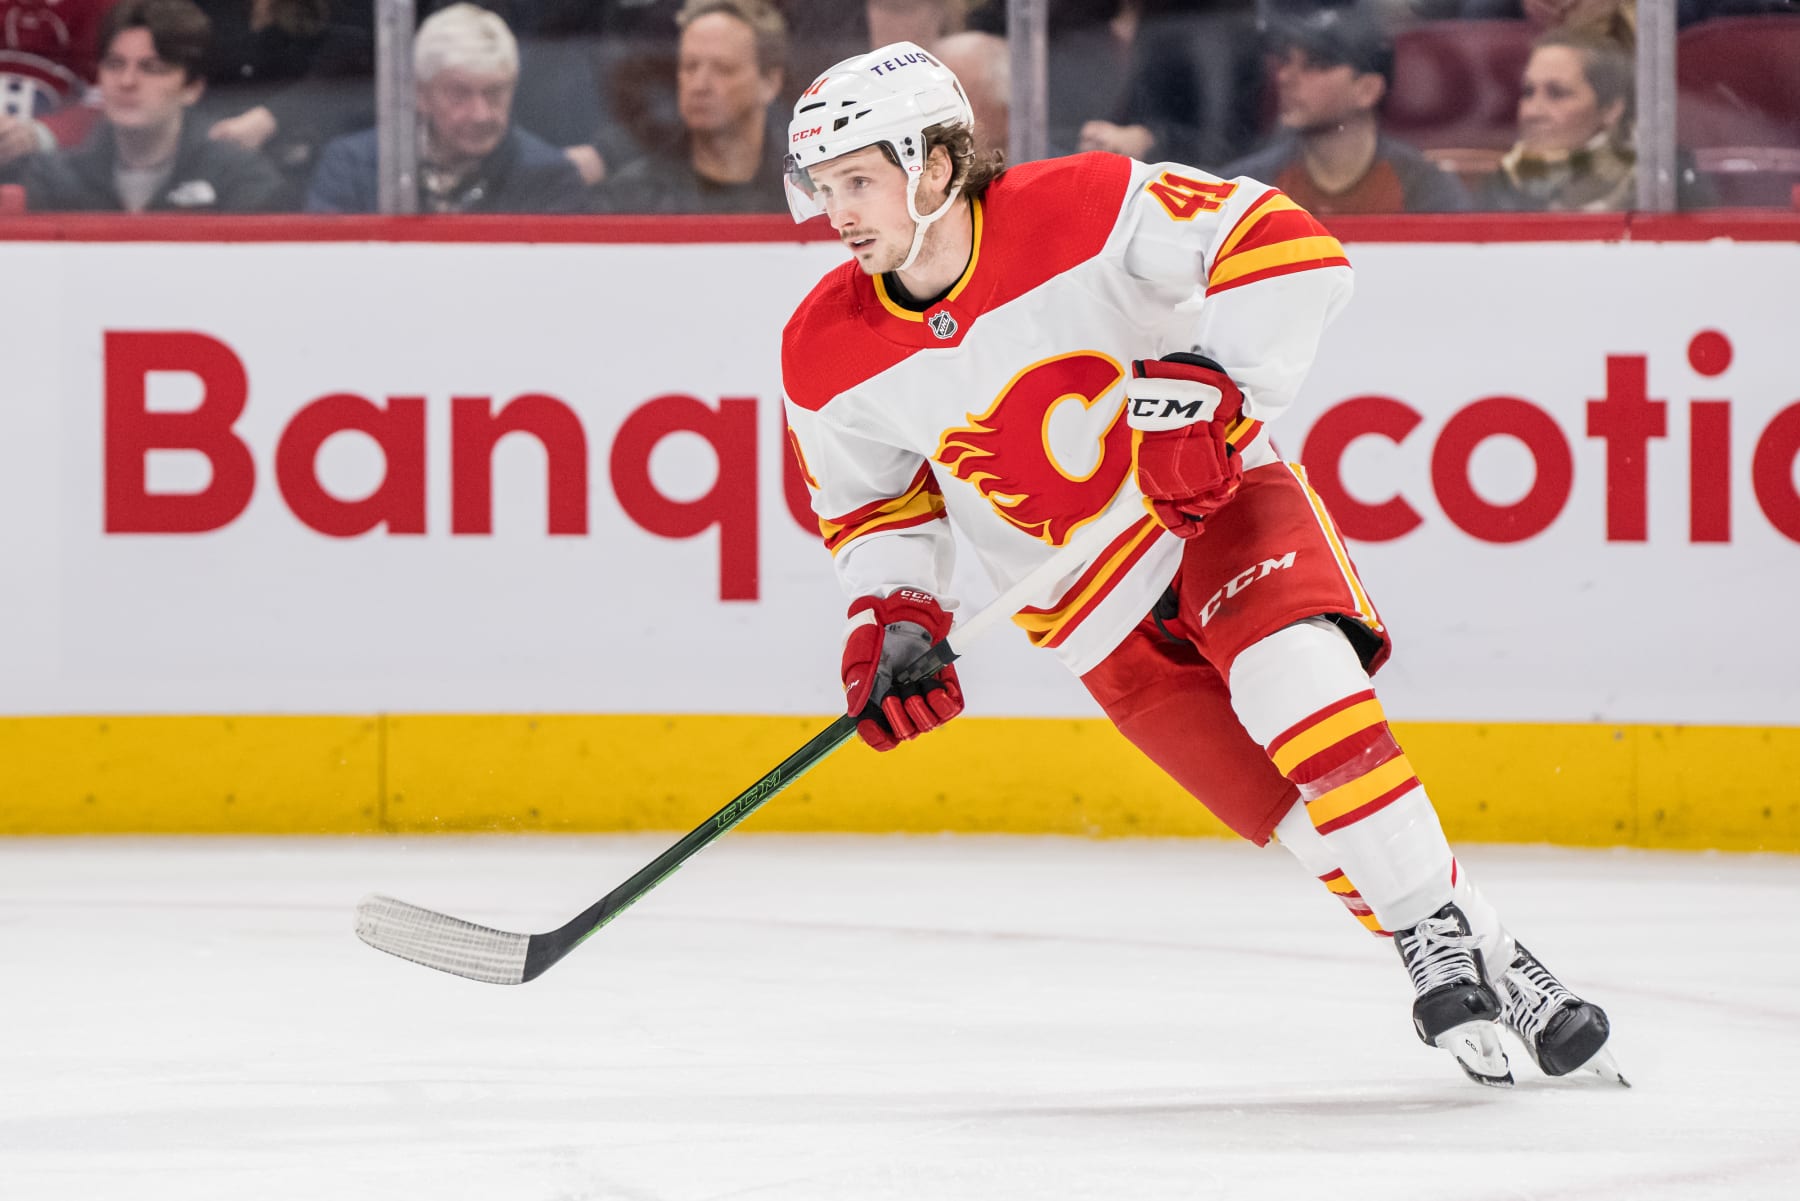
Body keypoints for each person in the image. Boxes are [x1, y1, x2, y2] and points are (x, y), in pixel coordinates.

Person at [778, 40, 1628, 1088]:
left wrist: (1214, 386)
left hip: (1213, 509)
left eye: (856, 180)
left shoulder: (1085, 206)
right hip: (1086, 616)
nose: (837, 211)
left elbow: (1281, 241)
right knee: (1301, 819)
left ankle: (1430, 932)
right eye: (822, 188)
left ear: (936, 166)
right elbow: (872, 503)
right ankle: (1492, 952)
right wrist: (894, 613)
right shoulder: (824, 346)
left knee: (1297, 691)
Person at [305, 2, 588, 213]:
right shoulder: (352, 166)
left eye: (495, 93)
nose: (480, 114)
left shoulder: (550, 176)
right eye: (459, 93)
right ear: (421, 93)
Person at [21, 0, 285, 212]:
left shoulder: (240, 179)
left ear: (192, 89)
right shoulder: (56, 178)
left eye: (152, 68)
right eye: (115, 64)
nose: (127, 81)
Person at [1225, 3, 1467, 214]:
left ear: (1367, 90)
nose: (1286, 76)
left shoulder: (1423, 189)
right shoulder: (1249, 187)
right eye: (1286, 61)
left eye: (1315, 64)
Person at [597, 0, 788, 214]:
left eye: (723, 69)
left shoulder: (816, 186)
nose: (699, 85)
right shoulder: (630, 196)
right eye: (689, 67)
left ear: (769, 83)